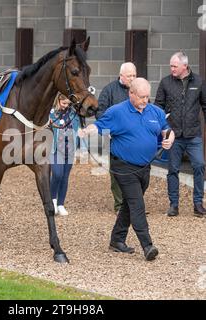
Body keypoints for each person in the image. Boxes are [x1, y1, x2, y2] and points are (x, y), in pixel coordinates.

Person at [79, 78, 175, 261]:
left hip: (145, 167)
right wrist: (85, 131)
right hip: (123, 166)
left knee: (129, 205)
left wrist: (169, 138)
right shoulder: (117, 112)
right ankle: (147, 245)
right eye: (141, 97)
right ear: (131, 93)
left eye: (147, 96)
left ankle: (117, 239)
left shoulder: (155, 111)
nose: (145, 100)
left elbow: (166, 129)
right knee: (137, 204)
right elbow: (98, 126)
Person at [155, 51, 206, 218]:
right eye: (171, 66)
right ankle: (173, 205)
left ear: (185, 66)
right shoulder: (165, 83)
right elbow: (158, 107)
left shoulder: (199, 82)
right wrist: (159, 129)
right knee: (173, 170)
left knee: (199, 165)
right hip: (173, 135)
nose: (172, 69)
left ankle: (198, 203)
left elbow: (205, 105)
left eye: (174, 66)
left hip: (193, 135)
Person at [96, 62, 137, 214]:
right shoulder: (109, 90)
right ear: (121, 76)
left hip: (136, 138)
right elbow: (100, 113)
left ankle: (133, 204)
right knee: (118, 173)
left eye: (134, 75)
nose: (132, 79)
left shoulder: (138, 89)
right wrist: (113, 129)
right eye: (129, 76)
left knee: (136, 171)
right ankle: (120, 205)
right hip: (117, 139)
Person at [50, 93, 80, 216]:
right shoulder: (51, 113)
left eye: (68, 104)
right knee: (57, 174)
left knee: (65, 176)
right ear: (58, 100)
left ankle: (61, 204)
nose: (66, 106)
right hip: (56, 149)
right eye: (64, 103)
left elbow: (77, 129)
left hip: (70, 149)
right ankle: (52, 200)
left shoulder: (73, 113)